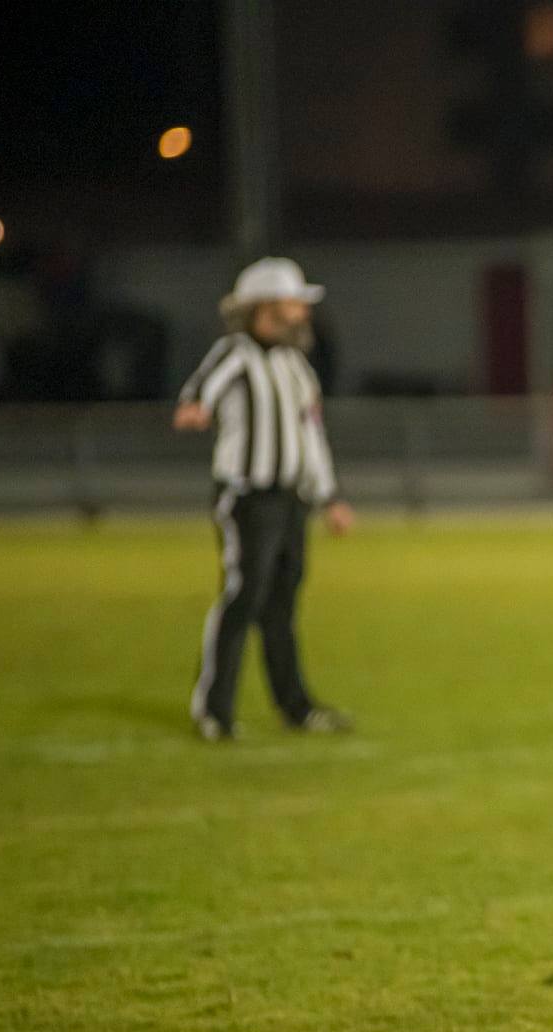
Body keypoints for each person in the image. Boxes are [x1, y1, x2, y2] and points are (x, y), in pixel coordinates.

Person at [173, 257, 355, 741]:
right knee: (243, 597)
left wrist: (329, 497)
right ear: (265, 308)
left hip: (292, 498)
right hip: (249, 497)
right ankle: (215, 709)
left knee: (281, 606)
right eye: (294, 303)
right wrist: (195, 411)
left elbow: (312, 438)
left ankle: (295, 706)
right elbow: (197, 397)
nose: (302, 312)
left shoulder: (296, 367)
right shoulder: (233, 354)